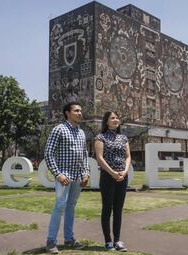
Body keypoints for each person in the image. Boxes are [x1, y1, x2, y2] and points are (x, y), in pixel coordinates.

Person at [44, 101, 90, 254]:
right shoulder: (59, 130)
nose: (80, 113)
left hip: (78, 177)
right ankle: (51, 242)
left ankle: (69, 239)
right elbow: (48, 153)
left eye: (80, 110)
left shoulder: (82, 132)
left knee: (71, 207)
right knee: (59, 207)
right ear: (67, 113)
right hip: (63, 176)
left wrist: (86, 173)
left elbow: (84, 155)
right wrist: (58, 174)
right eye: (76, 111)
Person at [94, 111, 131, 252]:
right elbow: (99, 158)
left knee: (118, 210)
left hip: (122, 176)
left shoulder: (123, 138)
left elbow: (128, 157)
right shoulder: (100, 137)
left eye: (117, 117)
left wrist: (125, 171)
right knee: (107, 208)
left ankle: (117, 240)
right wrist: (113, 173)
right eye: (112, 118)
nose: (116, 119)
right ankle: (108, 241)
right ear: (106, 121)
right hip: (107, 177)